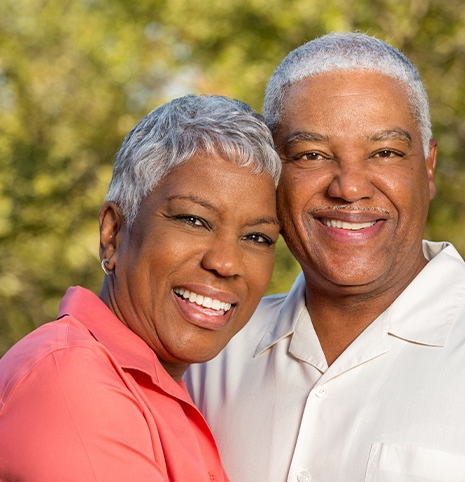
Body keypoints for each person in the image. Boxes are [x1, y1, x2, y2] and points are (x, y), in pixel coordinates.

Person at [186, 33, 465, 481]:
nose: (350, 187)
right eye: (311, 154)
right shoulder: (212, 352)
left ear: (428, 168)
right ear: (271, 173)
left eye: (385, 152)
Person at [0, 94, 281, 481]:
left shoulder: (164, 390)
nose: (226, 263)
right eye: (194, 220)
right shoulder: (71, 380)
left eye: (257, 237)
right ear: (113, 233)